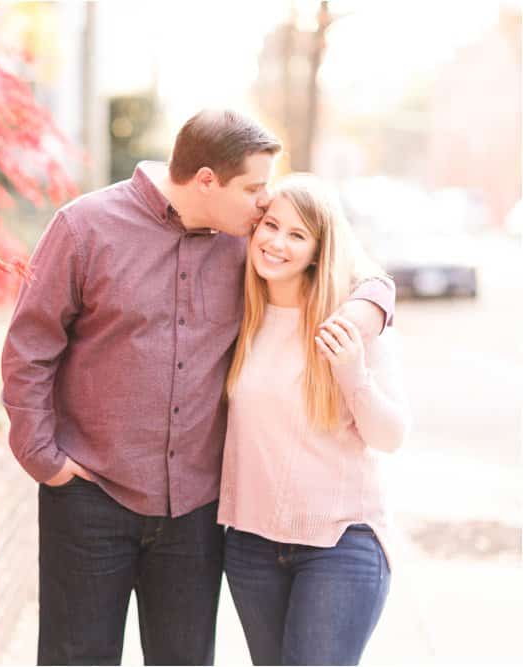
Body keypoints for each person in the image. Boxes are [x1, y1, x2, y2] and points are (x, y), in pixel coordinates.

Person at [1, 109, 395, 665]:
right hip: (89, 496)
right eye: (255, 189)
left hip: (193, 512)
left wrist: (364, 312)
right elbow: (29, 346)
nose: (265, 203)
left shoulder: (248, 244)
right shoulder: (83, 227)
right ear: (207, 180)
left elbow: (357, 269)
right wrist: (43, 456)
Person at [219, 174, 411, 665]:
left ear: (318, 251)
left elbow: (390, 437)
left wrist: (351, 372)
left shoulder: (351, 324)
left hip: (340, 543)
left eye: (297, 235)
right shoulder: (239, 317)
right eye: (270, 225)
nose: (276, 243)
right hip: (251, 545)